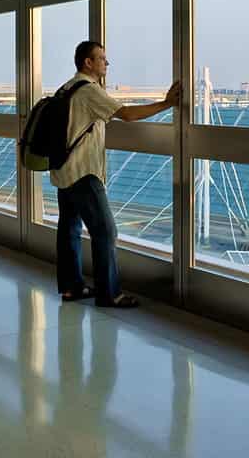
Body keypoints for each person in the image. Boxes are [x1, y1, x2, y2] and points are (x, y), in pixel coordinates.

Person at [53, 40, 181, 308]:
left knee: (70, 230)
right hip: (84, 172)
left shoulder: (66, 88)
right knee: (106, 232)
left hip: (63, 170)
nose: (106, 64)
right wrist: (167, 103)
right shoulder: (89, 90)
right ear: (88, 63)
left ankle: (71, 288)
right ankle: (109, 293)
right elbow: (127, 114)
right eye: (101, 59)